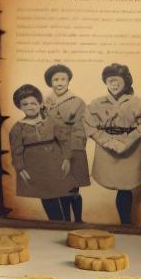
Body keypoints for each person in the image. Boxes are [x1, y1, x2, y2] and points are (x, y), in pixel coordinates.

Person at [83, 63, 141, 225]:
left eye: (118, 81)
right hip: (106, 149)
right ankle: (125, 222)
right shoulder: (96, 104)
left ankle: (126, 222)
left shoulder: (138, 103)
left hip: (130, 149)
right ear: (105, 83)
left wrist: (126, 141)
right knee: (118, 185)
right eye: (110, 81)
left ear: (126, 82)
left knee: (126, 186)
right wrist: (107, 141)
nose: (114, 84)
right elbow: (89, 125)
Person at [7, 84, 73, 221]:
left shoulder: (51, 121)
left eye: (33, 103)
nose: (30, 106)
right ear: (20, 106)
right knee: (47, 196)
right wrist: (20, 168)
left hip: (55, 164)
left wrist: (67, 158)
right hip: (35, 167)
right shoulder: (17, 128)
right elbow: (16, 151)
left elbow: (64, 140)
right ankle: (56, 224)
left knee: (62, 193)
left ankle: (67, 224)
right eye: (25, 104)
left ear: (40, 103)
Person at [42, 63, 89, 222]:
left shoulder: (77, 102)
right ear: (50, 82)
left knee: (73, 187)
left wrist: (73, 151)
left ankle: (78, 221)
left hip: (72, 146)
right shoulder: (44, 103)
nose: (60, 82)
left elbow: (80, 128)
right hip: (52, 149)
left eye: (63, 79)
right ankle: (65, 222)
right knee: (59, 187)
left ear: (69, 81)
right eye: (56, 79)